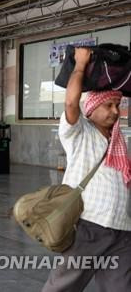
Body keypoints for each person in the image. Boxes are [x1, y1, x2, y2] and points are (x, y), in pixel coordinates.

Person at [42, 48, 131, 292]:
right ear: (91, 110)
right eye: (109, 105)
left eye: (118, 105)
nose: (115, 111)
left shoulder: (118, 142)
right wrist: (80, 65)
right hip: (88, 225)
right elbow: (71, 101)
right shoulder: (79, 133)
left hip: (121, 230)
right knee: (62, 287)